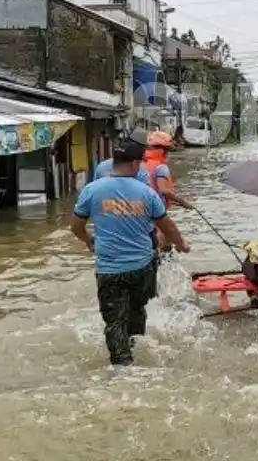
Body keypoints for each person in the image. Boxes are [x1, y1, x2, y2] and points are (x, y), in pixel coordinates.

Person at [70, 141, 191, 367]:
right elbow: (168, 227)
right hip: (142, 268)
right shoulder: (146, 193)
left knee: (114, 322)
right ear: (135, 163)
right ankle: (137, 351)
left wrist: (89, 241)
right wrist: (182, 245)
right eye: (141, 163)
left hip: (109, 270)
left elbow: (75, 226)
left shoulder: (92, 190)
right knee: (137, 311)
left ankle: (122, 367)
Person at [143, 131, 193, 210]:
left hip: (143, 207)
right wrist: (182, 202)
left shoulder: (143, 163)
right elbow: (164, 190)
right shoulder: (161, 167)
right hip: (157, 210)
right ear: (165, 151)